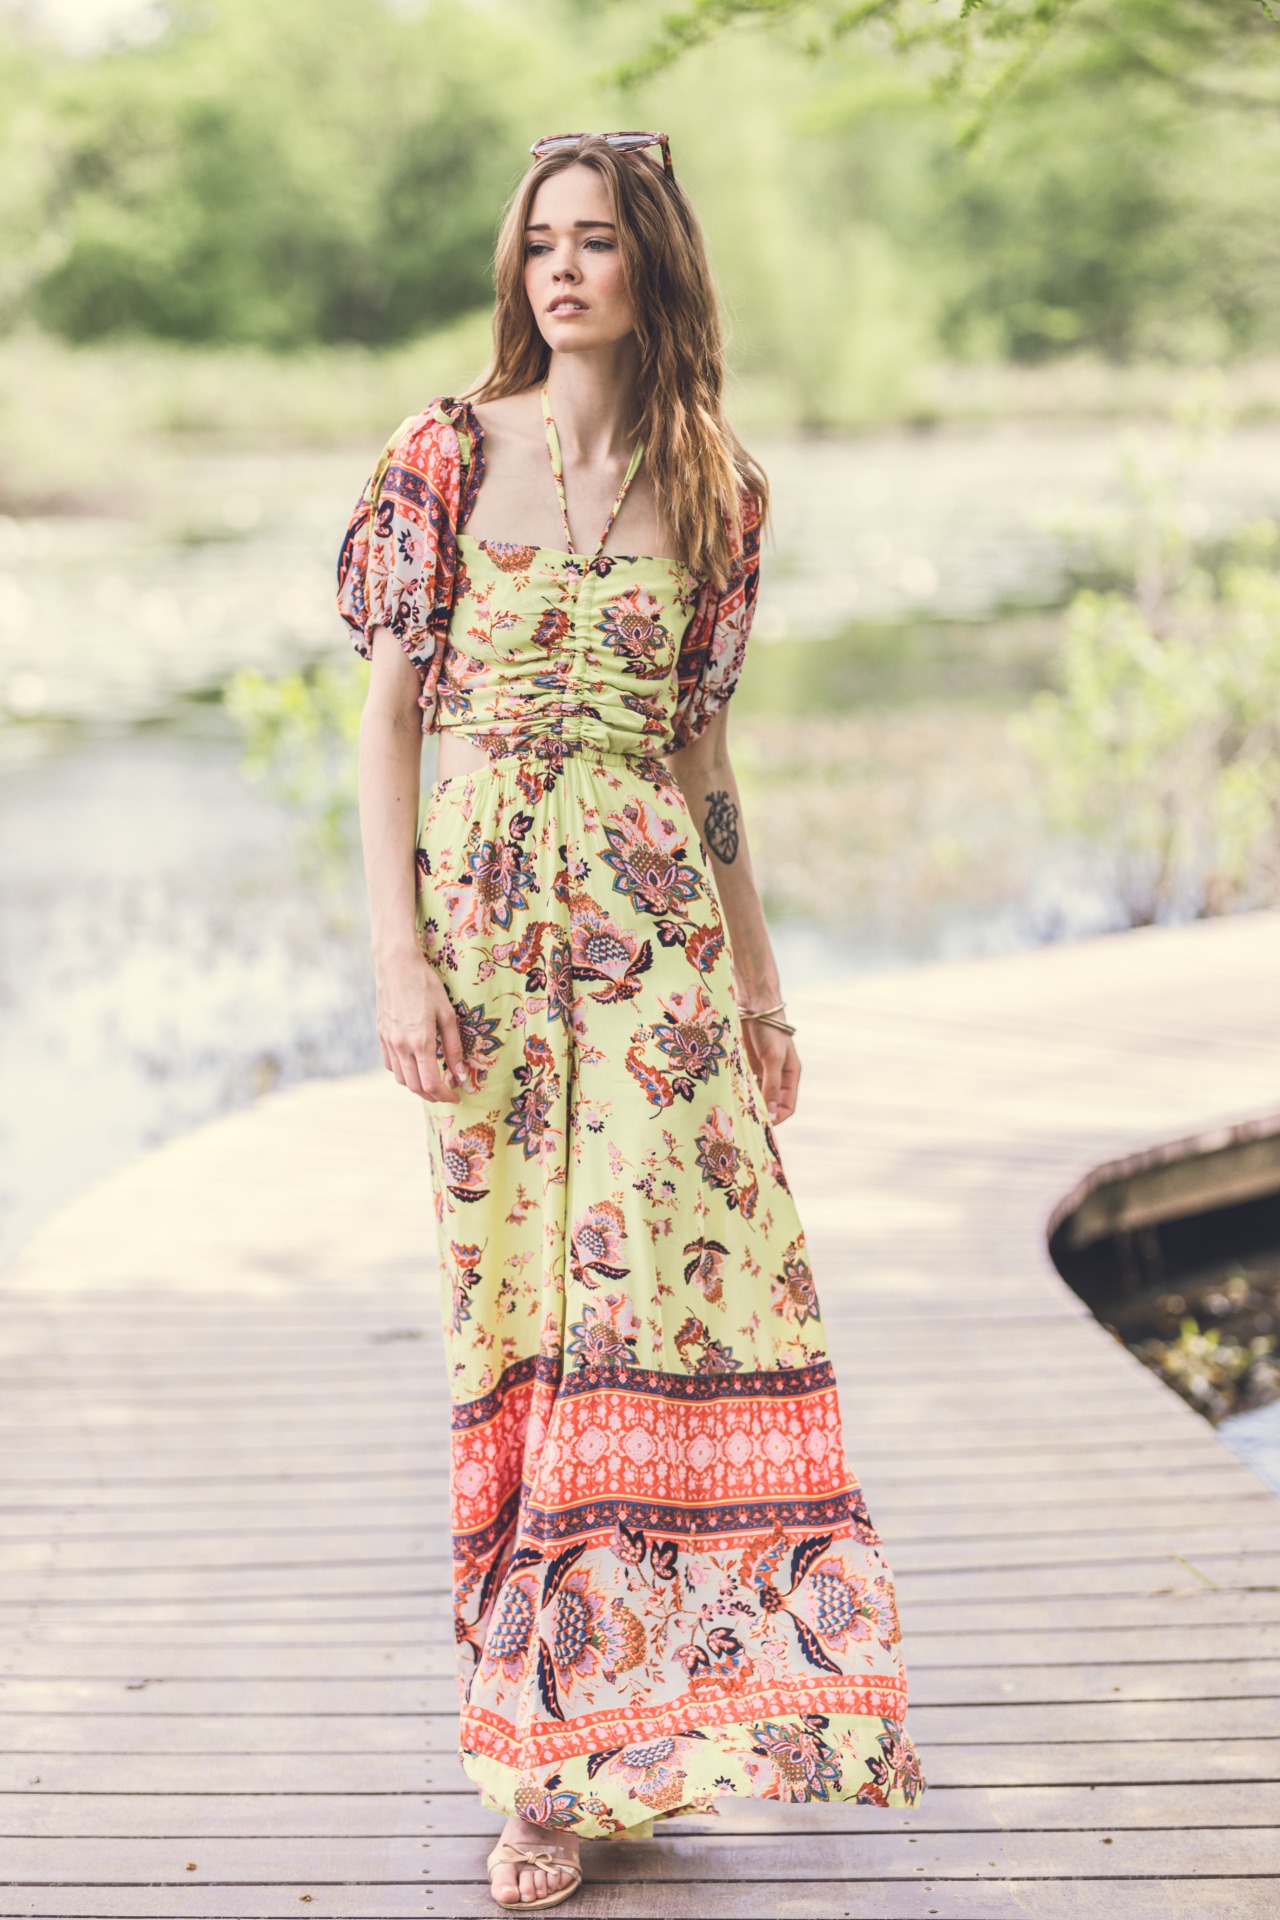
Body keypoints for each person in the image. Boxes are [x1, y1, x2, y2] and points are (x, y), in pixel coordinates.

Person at [337, 129, 924, 1914]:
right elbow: (388, 726)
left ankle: (589, 1760)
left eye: (596, 241)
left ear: (653, 261)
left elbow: (703, 760)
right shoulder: (443, 454)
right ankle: (555, 1743)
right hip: (488, 941)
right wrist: (397, 964)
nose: (564, 271)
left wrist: (761, 990)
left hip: (655, 944)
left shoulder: (716, 486)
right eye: (542, 245)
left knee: (644, 1318)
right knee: (518, 1324)